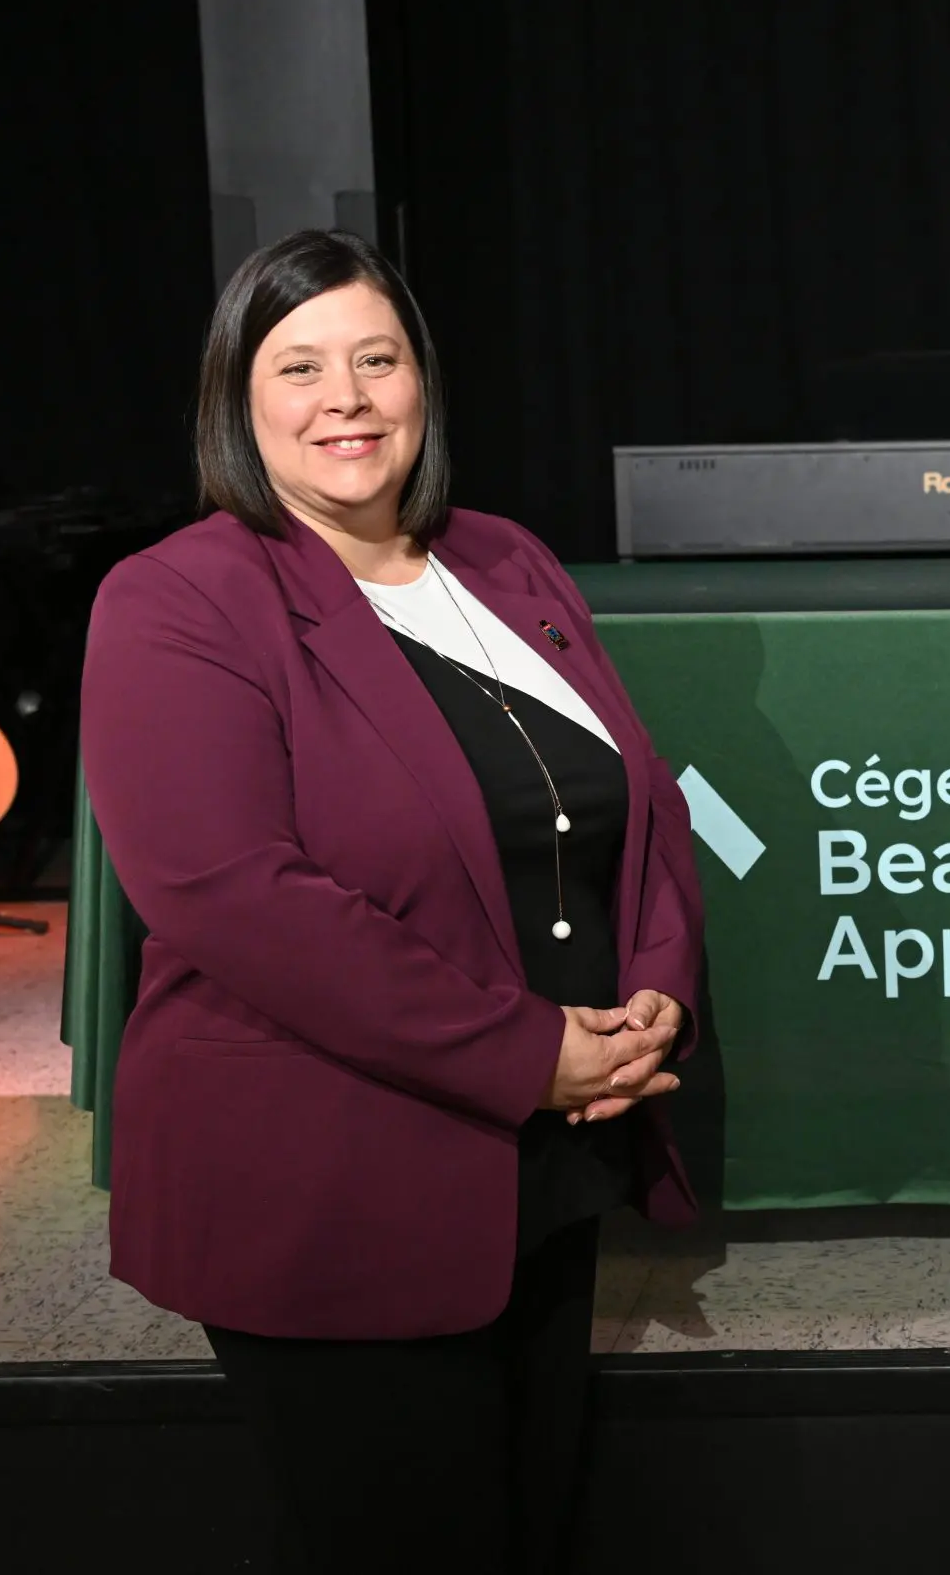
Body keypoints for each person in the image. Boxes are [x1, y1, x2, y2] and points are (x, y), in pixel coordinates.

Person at [81, 230, 707, 1573]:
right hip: (331, 1187)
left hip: (547, 1169)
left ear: (423, 379)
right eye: (300, 368)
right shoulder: (180, 599)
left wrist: (656, 990)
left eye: (378, 359)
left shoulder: (506, 560)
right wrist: (529, 1052)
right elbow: (235, 898)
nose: (347, 399)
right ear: (238, 400)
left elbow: (639, 802)